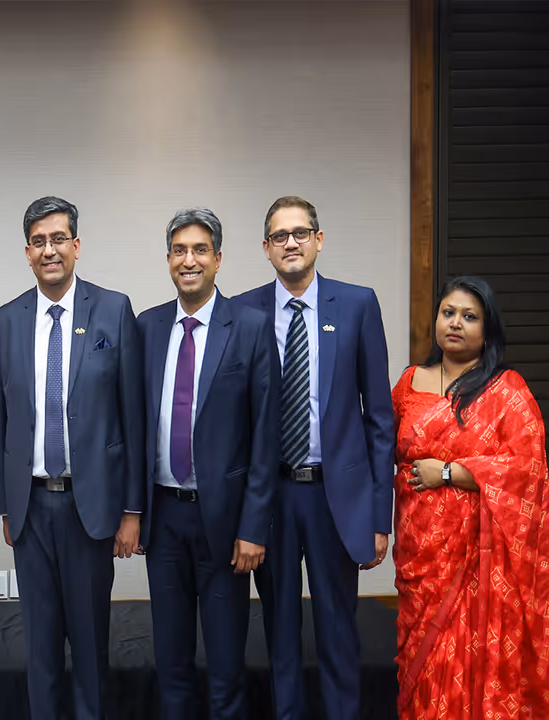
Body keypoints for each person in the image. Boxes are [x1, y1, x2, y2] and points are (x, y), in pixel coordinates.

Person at [235, 196, 394, 720]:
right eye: (279, 236)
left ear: (319, 240)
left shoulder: (357, 304)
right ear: (265, 248)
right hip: (273, 494)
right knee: (279, 631)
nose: (291, 243)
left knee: (337, 627)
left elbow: (379, 418)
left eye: (301, 233)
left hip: (335, 496)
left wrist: (378, 513)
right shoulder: (242, 312)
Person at [0, 196, 146, 720]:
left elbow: (132, 417)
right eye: (39, 241)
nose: (49, 250)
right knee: (39, 651)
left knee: (90, 648)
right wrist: (5, 507)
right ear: (27, 252)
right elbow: (1, 421)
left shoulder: (113, 309)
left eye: (59, 239)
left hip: (92, 506)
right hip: (31, 509)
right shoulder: (7, 320)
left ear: (76, 246)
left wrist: (132, 510)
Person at [137, 208, 278, 720]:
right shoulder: (147, 327)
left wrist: (254, 526)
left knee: (225, 671)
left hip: (225, 523)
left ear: (218, 259)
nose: (189, 260)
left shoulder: (251, 327)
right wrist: (134, 512)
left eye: (200, 250)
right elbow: (134, 427)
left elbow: (266, 436)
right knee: (171, 665)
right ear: (169, 260)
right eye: (179, 250)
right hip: (165, 519)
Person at [391, 276, 549, 720]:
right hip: (420, 554)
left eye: (469, 316)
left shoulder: (507, 391)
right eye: (448, 313)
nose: (455, 323)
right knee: (421, 663)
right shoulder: (409, 383)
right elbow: (379, 449)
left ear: (487, 327)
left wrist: (449, 472)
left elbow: (527, 470)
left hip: (476, 563)